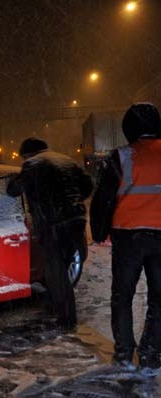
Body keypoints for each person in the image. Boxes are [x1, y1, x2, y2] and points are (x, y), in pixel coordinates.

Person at [90, 103, 161, 373]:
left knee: (122, 296)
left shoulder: (120, 157)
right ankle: (152, 354)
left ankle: (123, 354)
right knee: (159, 298)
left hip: (128, 237)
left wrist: (99, 232)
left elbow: (102, 200)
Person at [7, 137, 93, 329]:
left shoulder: (33, 164)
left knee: (56, 272)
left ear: (29, 154)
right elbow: (88, 186)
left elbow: (13, 190)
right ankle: (61, 310)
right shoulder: (67, 160)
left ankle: (66, 320)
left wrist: (14, 180)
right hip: (76, 222)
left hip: (53, 224)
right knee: (64, 265)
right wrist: (72, 202)